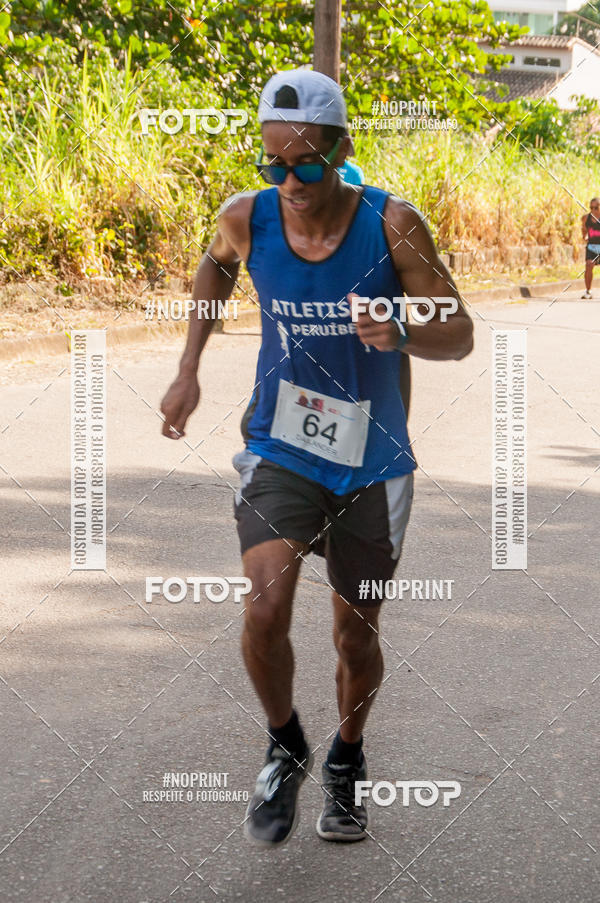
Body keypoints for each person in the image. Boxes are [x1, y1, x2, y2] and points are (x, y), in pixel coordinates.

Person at [160, 68, 473, 847]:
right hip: (281, 444)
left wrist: (401, 329)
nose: (290, 182)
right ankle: (285, 740)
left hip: (373, 462)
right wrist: (189, 366)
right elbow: (215, 265)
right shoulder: (249, 216)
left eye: (306, 164)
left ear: (343, 150)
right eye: (274, 165)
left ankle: (346, 757)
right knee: (264, 608)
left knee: (354, 636)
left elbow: (460, 332)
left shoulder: (393, 224)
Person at [582, 197, 600, 299]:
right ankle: (588, 291)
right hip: (592, 247)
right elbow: (584, 229)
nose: (593, 210)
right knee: (589, 265)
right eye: (591, 208)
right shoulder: (586, 218)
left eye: (596, 208)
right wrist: (584, 235)